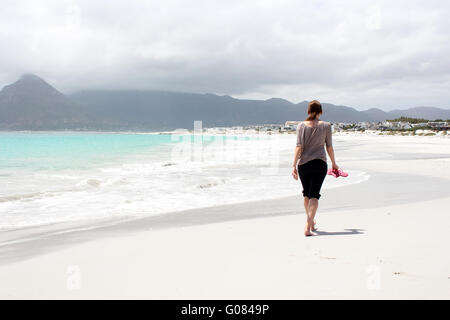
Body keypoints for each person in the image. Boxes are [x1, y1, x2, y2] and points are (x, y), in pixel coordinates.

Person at [292, 100, 339, 236]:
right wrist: (334, 163)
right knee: (314, 195)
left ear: (308, 112)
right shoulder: (326, 126)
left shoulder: (301, 126)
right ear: (321, 112)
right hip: (319, 164)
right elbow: (329, 146)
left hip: (303, 165)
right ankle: (308, 225)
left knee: (307, 194)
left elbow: (298, 146)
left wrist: (293, 165)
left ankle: (311, 222)